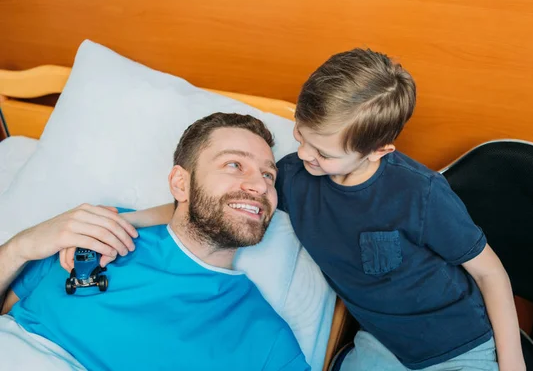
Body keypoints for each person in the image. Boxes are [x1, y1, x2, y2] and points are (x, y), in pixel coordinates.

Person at [102, 49, 526, 370]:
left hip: (457, 346)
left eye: (323, 152)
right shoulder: (293, 176)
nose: (303, 154)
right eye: (300, 136)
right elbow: (211, 206)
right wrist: (124, 219)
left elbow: (491, 273)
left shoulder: (421, 195)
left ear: (379, 151)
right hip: (381, 343)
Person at [0, 113, 309, 371]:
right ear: (180, 183)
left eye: (268, 175)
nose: (259, 184)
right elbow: (7, 310)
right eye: (234, 165)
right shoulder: (96, 229)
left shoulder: (266, 340)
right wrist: (21, 247)